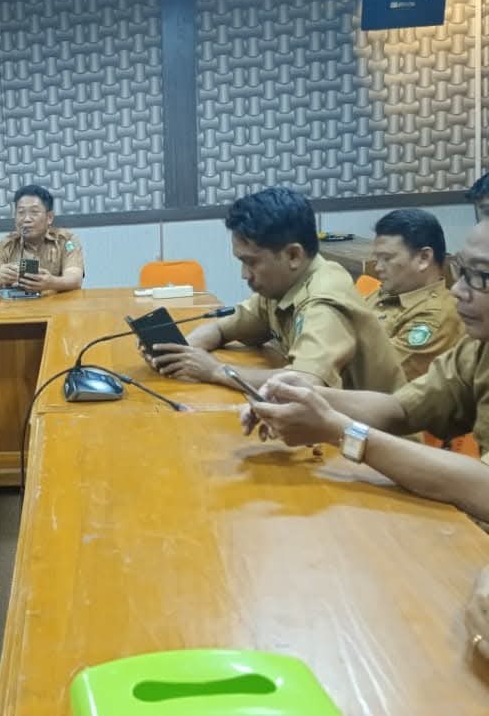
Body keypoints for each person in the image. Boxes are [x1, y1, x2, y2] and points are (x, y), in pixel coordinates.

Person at [241, 220, 489, 663]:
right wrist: (305, 396)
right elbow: (400, 408)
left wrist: (338, 430)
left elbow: (484, 489)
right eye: (462, 272)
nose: (458, 290)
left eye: (480, 278)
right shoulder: (479, 349)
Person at [149, 186, 405, 392]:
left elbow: (303, 383)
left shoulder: (325, 300)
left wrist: (216, 370)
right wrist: (183, 352)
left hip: (375, 437)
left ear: (293, 255)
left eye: (251, 262)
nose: (244, 275)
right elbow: (222, 329)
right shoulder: (282, 286)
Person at [365, 209, 462, 380]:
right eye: (377, 259)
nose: (378, 268)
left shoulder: (436, 315)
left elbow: (378, 375)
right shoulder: (387, 291)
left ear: (424, 258)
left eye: (387, 258)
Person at [0, 184, 84, 294]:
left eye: (34, 212)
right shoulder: (5, 245)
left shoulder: (66, 241)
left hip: (57, 304)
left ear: (49, 217)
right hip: (17, 304)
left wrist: (52, 282)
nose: (26, 219)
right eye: (21, 212)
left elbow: (75, 279)